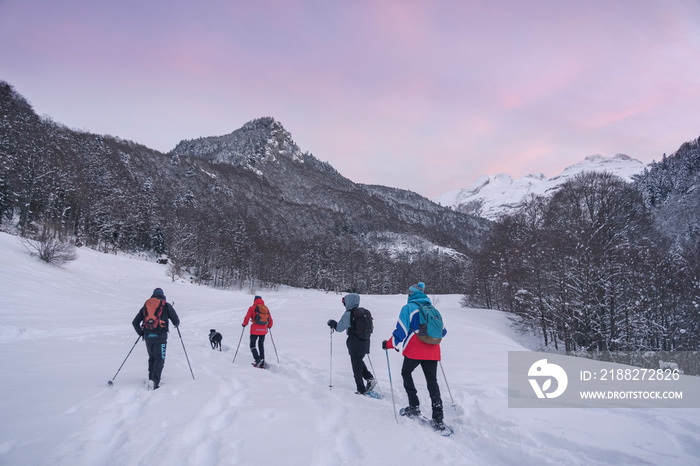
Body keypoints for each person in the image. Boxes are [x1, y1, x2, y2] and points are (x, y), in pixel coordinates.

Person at [382, 282, 447, 430]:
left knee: (406, 373)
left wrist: (388, 344)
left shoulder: (408, 308)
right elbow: (443, 332)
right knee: (432, 382)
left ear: (410, 295)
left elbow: (401, 331)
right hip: (433, 351)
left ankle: (414, 406)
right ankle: (438, 418)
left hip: (415, 350)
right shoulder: (433, 310)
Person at [327, 293, 377, 395]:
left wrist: (332, 323)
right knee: (359, 361)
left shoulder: (349, 314)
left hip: (355, 342)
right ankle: (370, 379)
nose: (344, 304)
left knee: (356, 367)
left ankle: (361, 389)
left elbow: (339, 328)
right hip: (365, 341)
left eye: (344, 302)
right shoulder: (364, 312)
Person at [132, 288, 180, 390]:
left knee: (152, 358)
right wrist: (176, 324)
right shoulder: (166, 305)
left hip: (148, 336)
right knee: (160, 359)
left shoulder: (146, 306)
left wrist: (141, 333)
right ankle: (154, 382)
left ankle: (151, 378)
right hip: (161, 336)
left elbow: (135, 322)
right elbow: (175, 320)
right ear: (163, 295)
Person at [242, 295, 273, 368]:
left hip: (254, 330)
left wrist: (244, 324)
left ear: (254, 300)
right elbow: (270, 320)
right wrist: (269, 326)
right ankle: (262, 362)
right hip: (263, 330)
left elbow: (247, 317)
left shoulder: (252, 308)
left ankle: (258, 359)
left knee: (252, 345)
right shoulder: (266, 309)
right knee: (261, 345)